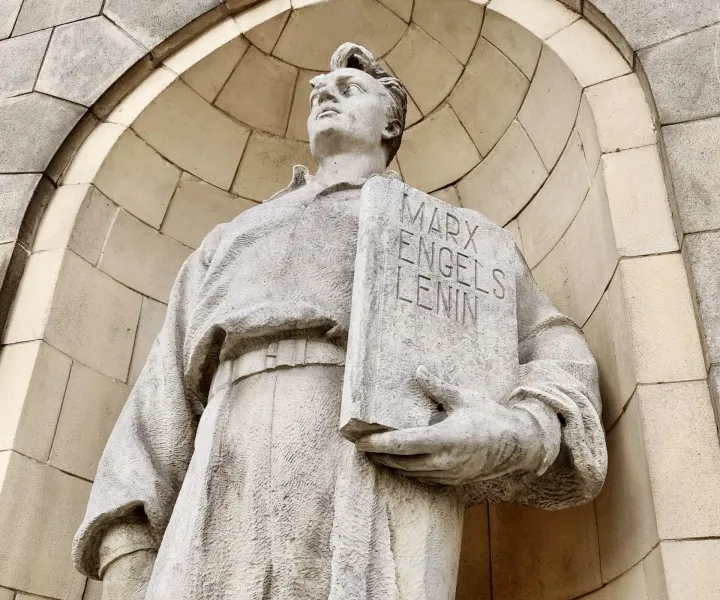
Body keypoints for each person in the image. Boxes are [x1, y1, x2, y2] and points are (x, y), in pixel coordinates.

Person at [73, 42, 607, 600]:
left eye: (350, 88)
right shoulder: (228, 240)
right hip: (224, 466)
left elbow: (555, 348)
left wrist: (518, 434)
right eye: (317, 92)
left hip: (378, 476)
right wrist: (127, 554)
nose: (325, 92)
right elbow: (159, 402)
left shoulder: (457, 236)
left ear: (391, 122)